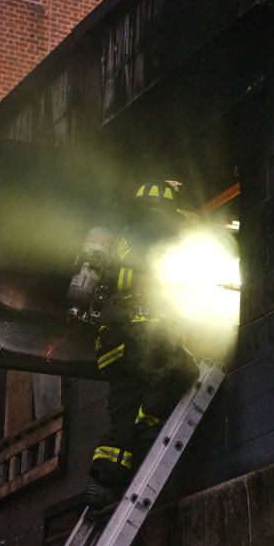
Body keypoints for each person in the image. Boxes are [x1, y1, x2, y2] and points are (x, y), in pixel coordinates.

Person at [83, 180, 200, 508]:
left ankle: (106, 486)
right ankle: (148, 431)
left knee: (122, 411)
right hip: (144, 336)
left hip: (112, 343)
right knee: (183, 371)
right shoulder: (160, 236)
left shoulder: (118, 239)